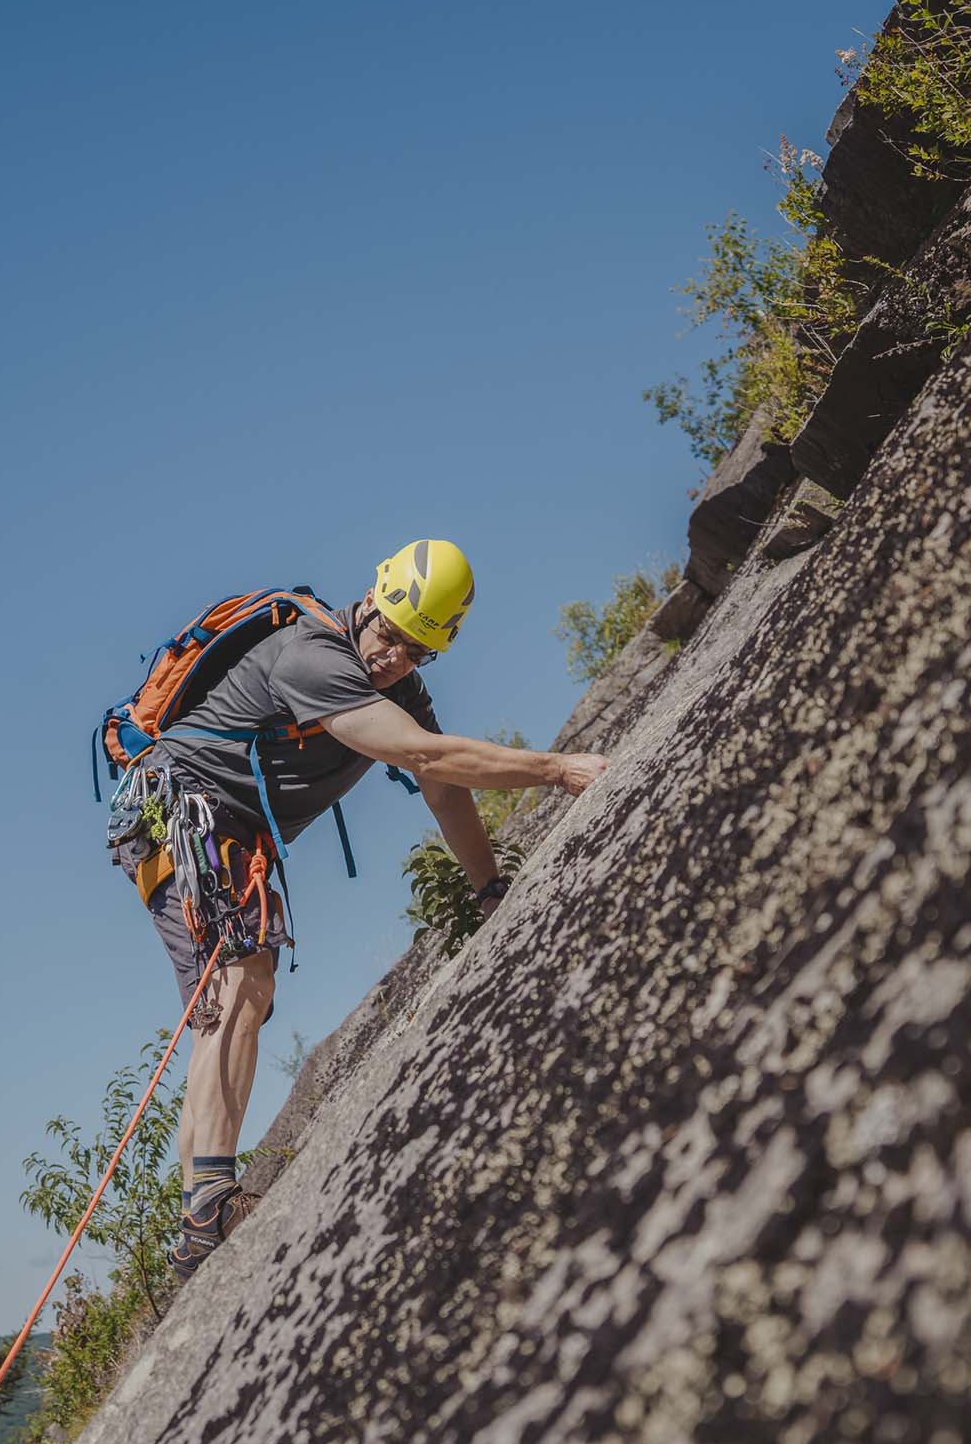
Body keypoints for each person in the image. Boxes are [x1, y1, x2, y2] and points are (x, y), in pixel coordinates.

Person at [111, 539, 609, 1279]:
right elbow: (432, 758)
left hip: (222, 823)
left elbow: (441, 785)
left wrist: (489, 889)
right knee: (241, 982)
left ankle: (199, 1215)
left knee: (239, 994)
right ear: (370, 602)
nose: (395, 659)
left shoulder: (397, 685)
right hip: (179, 811)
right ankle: (208, 1203)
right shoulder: (310, 653)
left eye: (417, 652)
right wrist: (559, 768)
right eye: (391, 636)